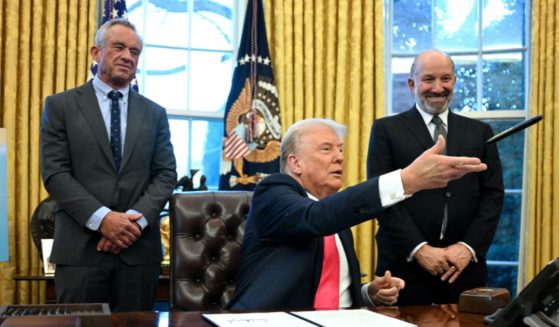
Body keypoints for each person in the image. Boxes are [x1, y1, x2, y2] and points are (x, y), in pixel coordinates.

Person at [228, 117, 489, 310]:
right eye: (327, 149)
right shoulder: (273, 191)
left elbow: (331, 287)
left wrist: (367, 294)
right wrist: (405, 180)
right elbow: (315, 218)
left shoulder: (339, 218)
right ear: (295, 163)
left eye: (341, 149)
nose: (340, 157)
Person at [40, 18, 177, 311]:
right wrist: (103, 219)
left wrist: (133, 223)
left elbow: (166, 175)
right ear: (95, 52)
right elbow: (55, 173)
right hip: (80, 252)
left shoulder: (155, 113)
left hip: (139, 254)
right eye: (118, 47)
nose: (128, 56)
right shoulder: (60, 106)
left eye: (135, 51)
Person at [367, 49, 504, 305]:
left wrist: (468, 247)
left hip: (462, 270)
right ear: (412, 83)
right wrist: (420, 249)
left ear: (454, 81)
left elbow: (493, 196)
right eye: (428, 79)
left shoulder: (481, 132)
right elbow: (382, 196)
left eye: (445, 79)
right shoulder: (386, 130)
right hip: (404, 269)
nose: (438, 88)